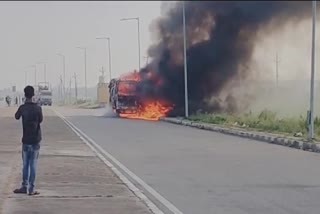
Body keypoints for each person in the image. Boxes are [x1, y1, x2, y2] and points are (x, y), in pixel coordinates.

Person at [13, 85, 43, 196]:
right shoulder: (37, 108)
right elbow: (40, 120)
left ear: (25, 95)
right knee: (33, 164)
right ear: (33, 95)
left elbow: (16, 116)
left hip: (26, 140)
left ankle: (24, 186)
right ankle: (31, 189)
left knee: (25, 164)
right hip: (36, 139)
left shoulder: (22, 108)